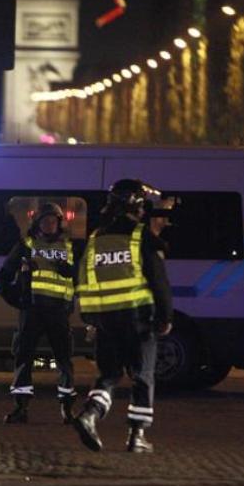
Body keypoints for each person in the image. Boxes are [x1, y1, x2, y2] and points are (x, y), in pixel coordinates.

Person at [72, 179, 173, 453]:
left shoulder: (95, 239)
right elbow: (158, 280)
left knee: (109, 374)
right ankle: (136, 436)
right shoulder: (141, 237)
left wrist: (91, 317)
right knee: (143, 375)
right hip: (139, 319)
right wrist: (166, 316)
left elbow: (84, 279)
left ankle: (90, 415)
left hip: (105, 319)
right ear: (137, 206)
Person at [0, 203, 78, 424]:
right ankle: (20, 408)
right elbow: (2, 277)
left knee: (64, 360)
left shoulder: (70, 247)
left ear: (59, 223)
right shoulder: (26, 245)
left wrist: (73, 272)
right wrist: (17, 299)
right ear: (37, 223)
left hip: (58, 312)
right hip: (31, 311)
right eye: (45, 221)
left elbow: (83, 279)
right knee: (23, 358)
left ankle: (67, 409)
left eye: (53, 221)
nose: (49, 225)